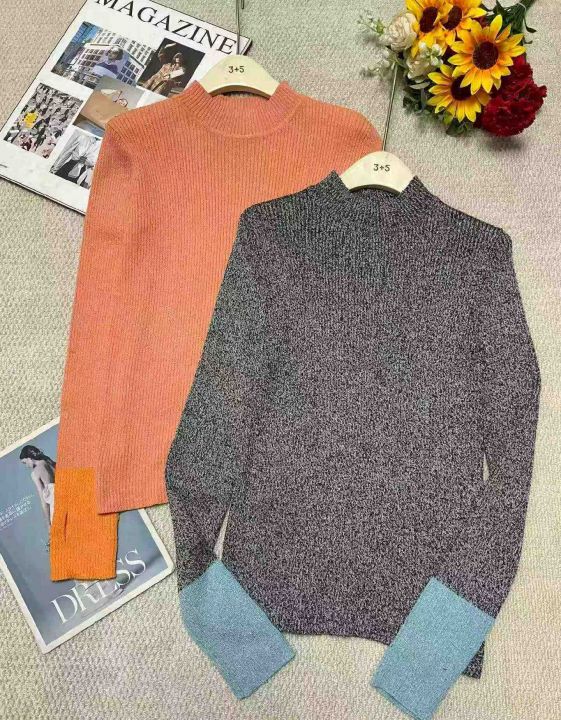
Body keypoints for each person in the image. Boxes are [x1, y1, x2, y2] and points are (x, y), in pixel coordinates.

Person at [19, 445, 56, 528]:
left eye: (25, 462)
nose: (27, 466)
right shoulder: (49, 462)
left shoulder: (35, 473)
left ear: (30, 458)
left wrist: (48, 524)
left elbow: (43, 502)